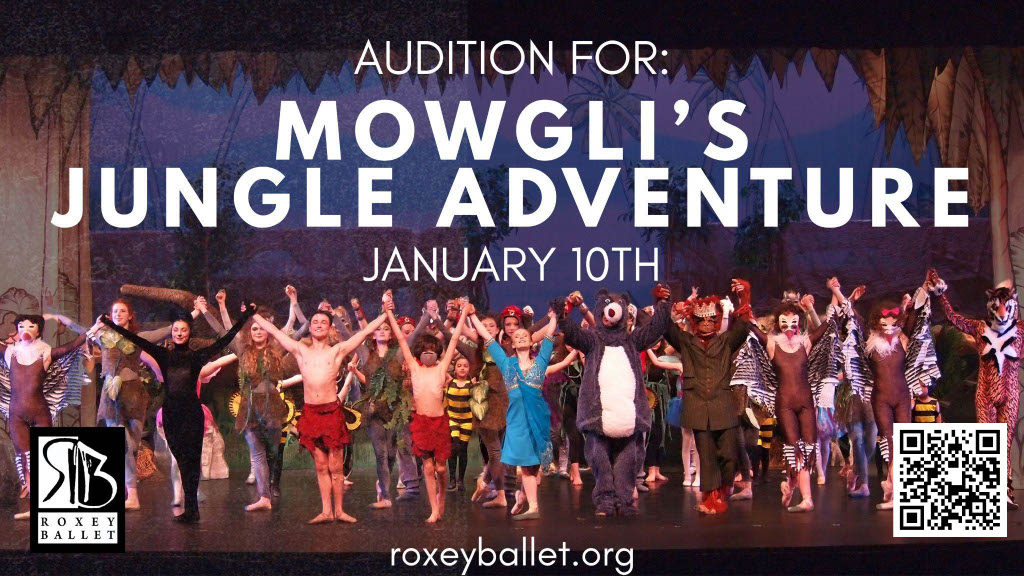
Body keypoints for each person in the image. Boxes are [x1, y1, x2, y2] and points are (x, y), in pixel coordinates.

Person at [101, 305, 254, 523]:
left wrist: (245, 316)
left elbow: (225, 340)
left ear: (189, 332)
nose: (179, 333)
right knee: (182, 461)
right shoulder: (163, 355)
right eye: (175, 330)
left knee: (192, 461)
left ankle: (192, 509)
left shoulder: (197, 356)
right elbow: (135, 339)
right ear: (172, 332)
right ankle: (190, 507)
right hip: (172, 414)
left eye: (183, 330)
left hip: (192, 413)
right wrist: (109, 324)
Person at [251, 296, 389, 524]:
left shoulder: (337, 351)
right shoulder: (300, 350)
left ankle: (339, 511)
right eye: (314, 321)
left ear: (329, 327)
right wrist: (253, 315)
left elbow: (364, 333)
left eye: (323, 322)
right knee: (321, 465)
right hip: (311, 414)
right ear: (310, 326)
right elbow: (274, 332)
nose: (318, 325)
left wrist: (385, 314)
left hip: (331, 412)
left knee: (336, 466)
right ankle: (326, 511)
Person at [929, 269, 1020, 510]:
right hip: (985, 393)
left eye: (1006, 307)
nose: (1001, 312)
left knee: (1004, 444)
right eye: (997, 307)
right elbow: (954, 318)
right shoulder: (980, 328)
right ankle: (990, 489)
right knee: (989, 442)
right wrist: (941, 294)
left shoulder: (1020, 331)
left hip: (1009, 395)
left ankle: (1005, 490)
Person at [663, 279, 753, 515]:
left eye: (711, 319)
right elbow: (667, 329)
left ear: (717, 320)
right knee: (707, 456)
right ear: (695, 321)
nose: (706, 323)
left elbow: (743, 327)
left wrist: (744, 296)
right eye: (702, 319)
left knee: (729, 455)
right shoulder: (687, 342)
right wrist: (662, 302)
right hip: (697, 406)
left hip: (723, 405)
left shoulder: (725, 341)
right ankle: (711, 497)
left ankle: (723, 488)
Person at [468, 304, 558, 520]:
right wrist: (472, 315)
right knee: (526, 466)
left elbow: (549, 337)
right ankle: (533, 507)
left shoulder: (540, 363)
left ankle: (522, 496)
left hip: (538, 419)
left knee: (533, 466)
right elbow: (487, 338)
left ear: (531, 341)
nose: (520, 337)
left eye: (524, 335)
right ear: (512, 343)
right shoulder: (507, 365)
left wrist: (555, 317)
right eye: (516, 336)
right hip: (517, 422)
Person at [387, 297, 467, 523]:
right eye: (425, 350)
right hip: (421, 422)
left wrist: (462, 314)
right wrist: (390, 313)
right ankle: (433, 508)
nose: (429, 353)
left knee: (441, 469)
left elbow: (453, 340)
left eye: (433, 350)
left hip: (439, 423)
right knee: (428, 467)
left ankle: (442, 497)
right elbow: (402, 340)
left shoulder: (442, 369)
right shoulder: (414, 368)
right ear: (419, 352)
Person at [446, 356, 475, 492]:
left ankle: (461, 480)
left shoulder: (472, 385)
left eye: (465, 366)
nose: (462, 368)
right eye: (459, 366)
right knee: (453, 448)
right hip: (452, 419)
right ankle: (452, 479)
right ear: (455, 369)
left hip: (466, 421)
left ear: (469, 369)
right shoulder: (449, 382)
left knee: (463, 450)